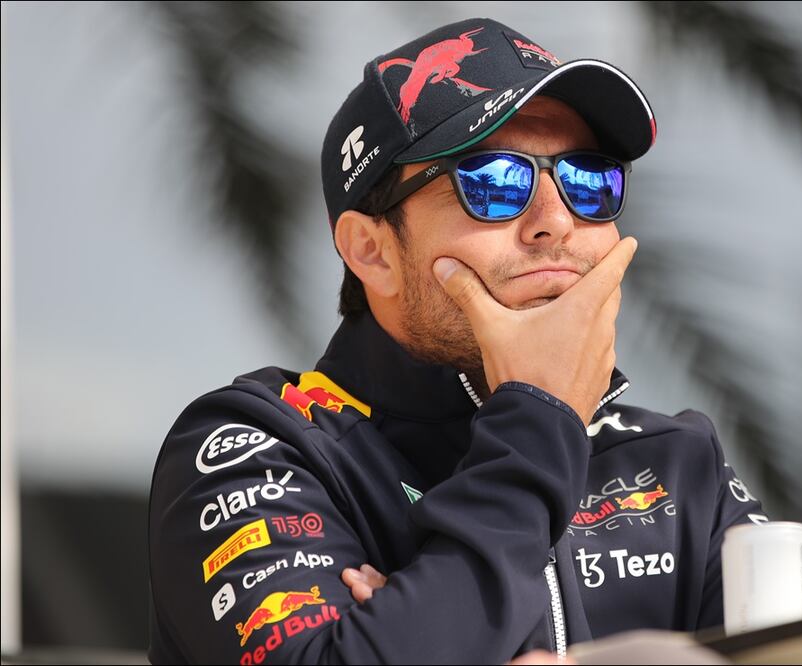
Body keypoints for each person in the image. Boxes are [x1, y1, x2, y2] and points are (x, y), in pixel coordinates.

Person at [148, 17, 767, 665]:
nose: (555, 221)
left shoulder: (674, 463)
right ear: (372, 250)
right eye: (494, 182)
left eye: (588, 180)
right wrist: (538, 418)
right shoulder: (257, 449)